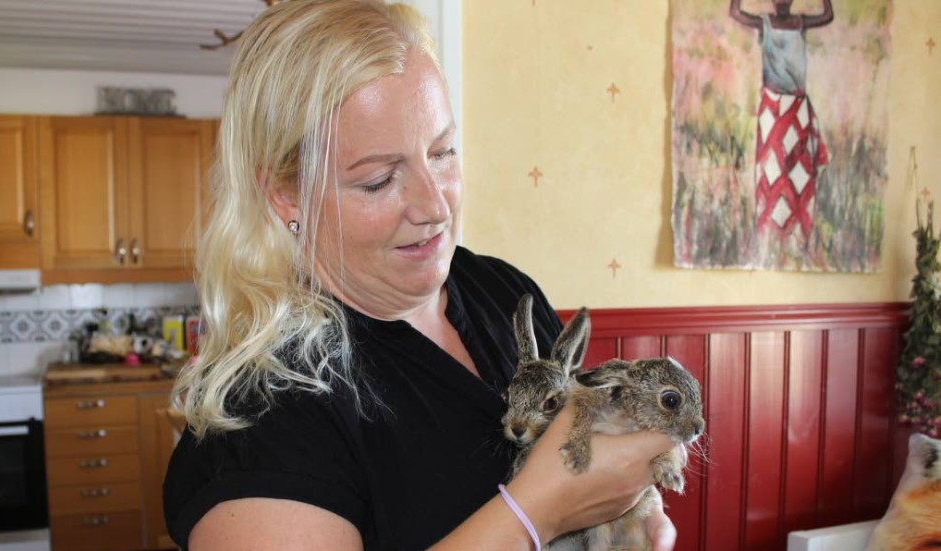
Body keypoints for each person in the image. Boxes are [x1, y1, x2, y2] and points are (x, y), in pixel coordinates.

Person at [163, 1, 678, 549]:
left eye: (443, 152)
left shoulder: (504, 292)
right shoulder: (261, 410)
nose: (433, 206)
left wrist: (632, 505)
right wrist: (536, 514)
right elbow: (556, 494)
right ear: (285, 193)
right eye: (379, 180)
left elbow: (592, 450)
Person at [729, 0, 833, 242]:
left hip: (797, 109)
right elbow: (735, 12)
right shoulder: (764, 23)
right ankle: (770, 232)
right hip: (773, 109)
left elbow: (827, 15)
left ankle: (798, 232)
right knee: (770, 169)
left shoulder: (801, 23)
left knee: (800, 170)